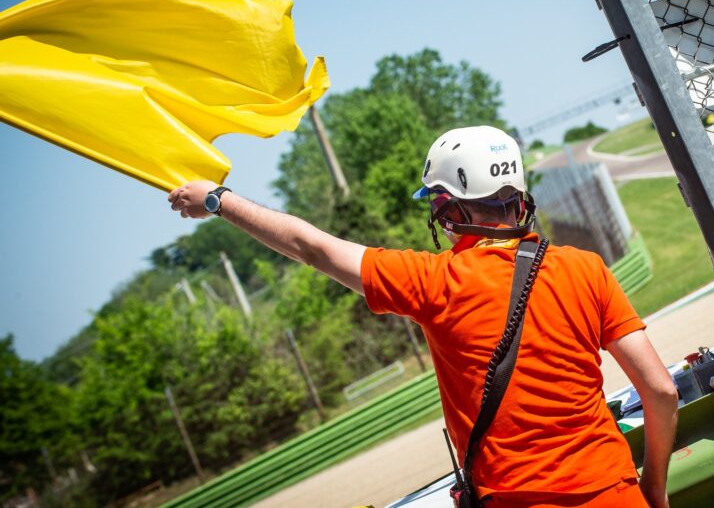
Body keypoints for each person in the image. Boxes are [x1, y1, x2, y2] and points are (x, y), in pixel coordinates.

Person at [168, 125, 678, 507]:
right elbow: (660, 391)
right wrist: (652, 485)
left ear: (449, 207)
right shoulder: (586, 269)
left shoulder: (433, 282)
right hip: (617, 492)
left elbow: (313, 248)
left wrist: (218, 200)